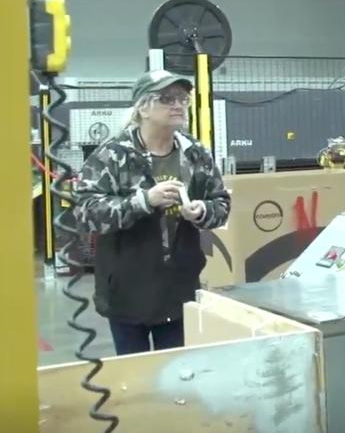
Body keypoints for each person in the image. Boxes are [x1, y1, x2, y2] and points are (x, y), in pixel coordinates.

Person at [74, 69, 231, 355]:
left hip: (179, 288)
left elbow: (221, 204)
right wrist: (144, 201)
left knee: (176, 377)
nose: (178, 105)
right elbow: (86, 212)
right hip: (127, 291)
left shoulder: (195, 153)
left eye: (182, 98)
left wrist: (201, 211)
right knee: (135, 379)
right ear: (143, 108)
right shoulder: (113, 155)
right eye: (166, 98)